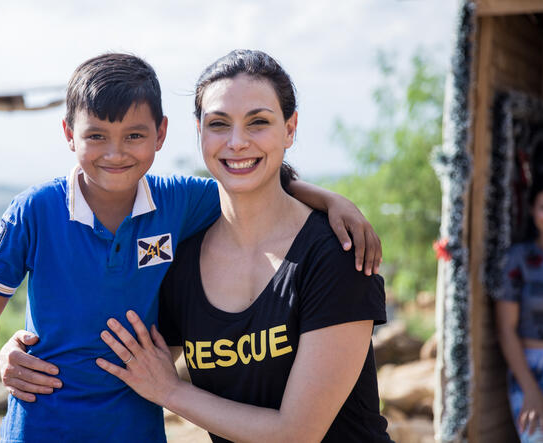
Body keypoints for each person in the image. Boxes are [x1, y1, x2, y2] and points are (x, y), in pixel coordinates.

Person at [0, 52, 382, 442]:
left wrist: (330, 200)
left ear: (161, 134)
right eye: (96, 135)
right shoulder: (41, 212)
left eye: (134, 136)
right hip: (40, 429)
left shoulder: (181, 205)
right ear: (68, 133)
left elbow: (251, 179)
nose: (115, 153)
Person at [95, 49, 392, 442]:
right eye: (219, 124)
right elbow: (120, 358)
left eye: (258, 123)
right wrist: (24, 351)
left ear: (290, 129)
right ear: (199, 131)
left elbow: (297, 434)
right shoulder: (180, 257)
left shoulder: (336, 252)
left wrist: (172, 391)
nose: (237, 142)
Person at [494, 174, 543, 442]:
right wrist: (530, 389)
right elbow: (506, 329)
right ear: (532, 210)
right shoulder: (519, 259)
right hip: (532, 369)